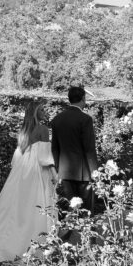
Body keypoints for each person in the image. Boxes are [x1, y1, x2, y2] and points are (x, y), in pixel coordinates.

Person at [0, 100, 58, 265]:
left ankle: (5, 253)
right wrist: (54, 173)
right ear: (36, 112)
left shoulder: (23, 131)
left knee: (17, 209)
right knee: (38, 207)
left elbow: (16, 158)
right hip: (37, 172)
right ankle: (37, 256)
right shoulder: (43, 129)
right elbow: (44, 157)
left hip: (20, 172)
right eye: (42, 109)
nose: (45, 112)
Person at [51, 85, 99, 214]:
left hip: (64, 172)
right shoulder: (85, 119)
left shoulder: (57, 120)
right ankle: (86, 233)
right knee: (86, 211)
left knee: (68, 211)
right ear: (83, 98)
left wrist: (58, 169)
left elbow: (54, 148)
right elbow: (89, 149)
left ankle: (68, 234)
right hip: (84, 173)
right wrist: (96, 173)